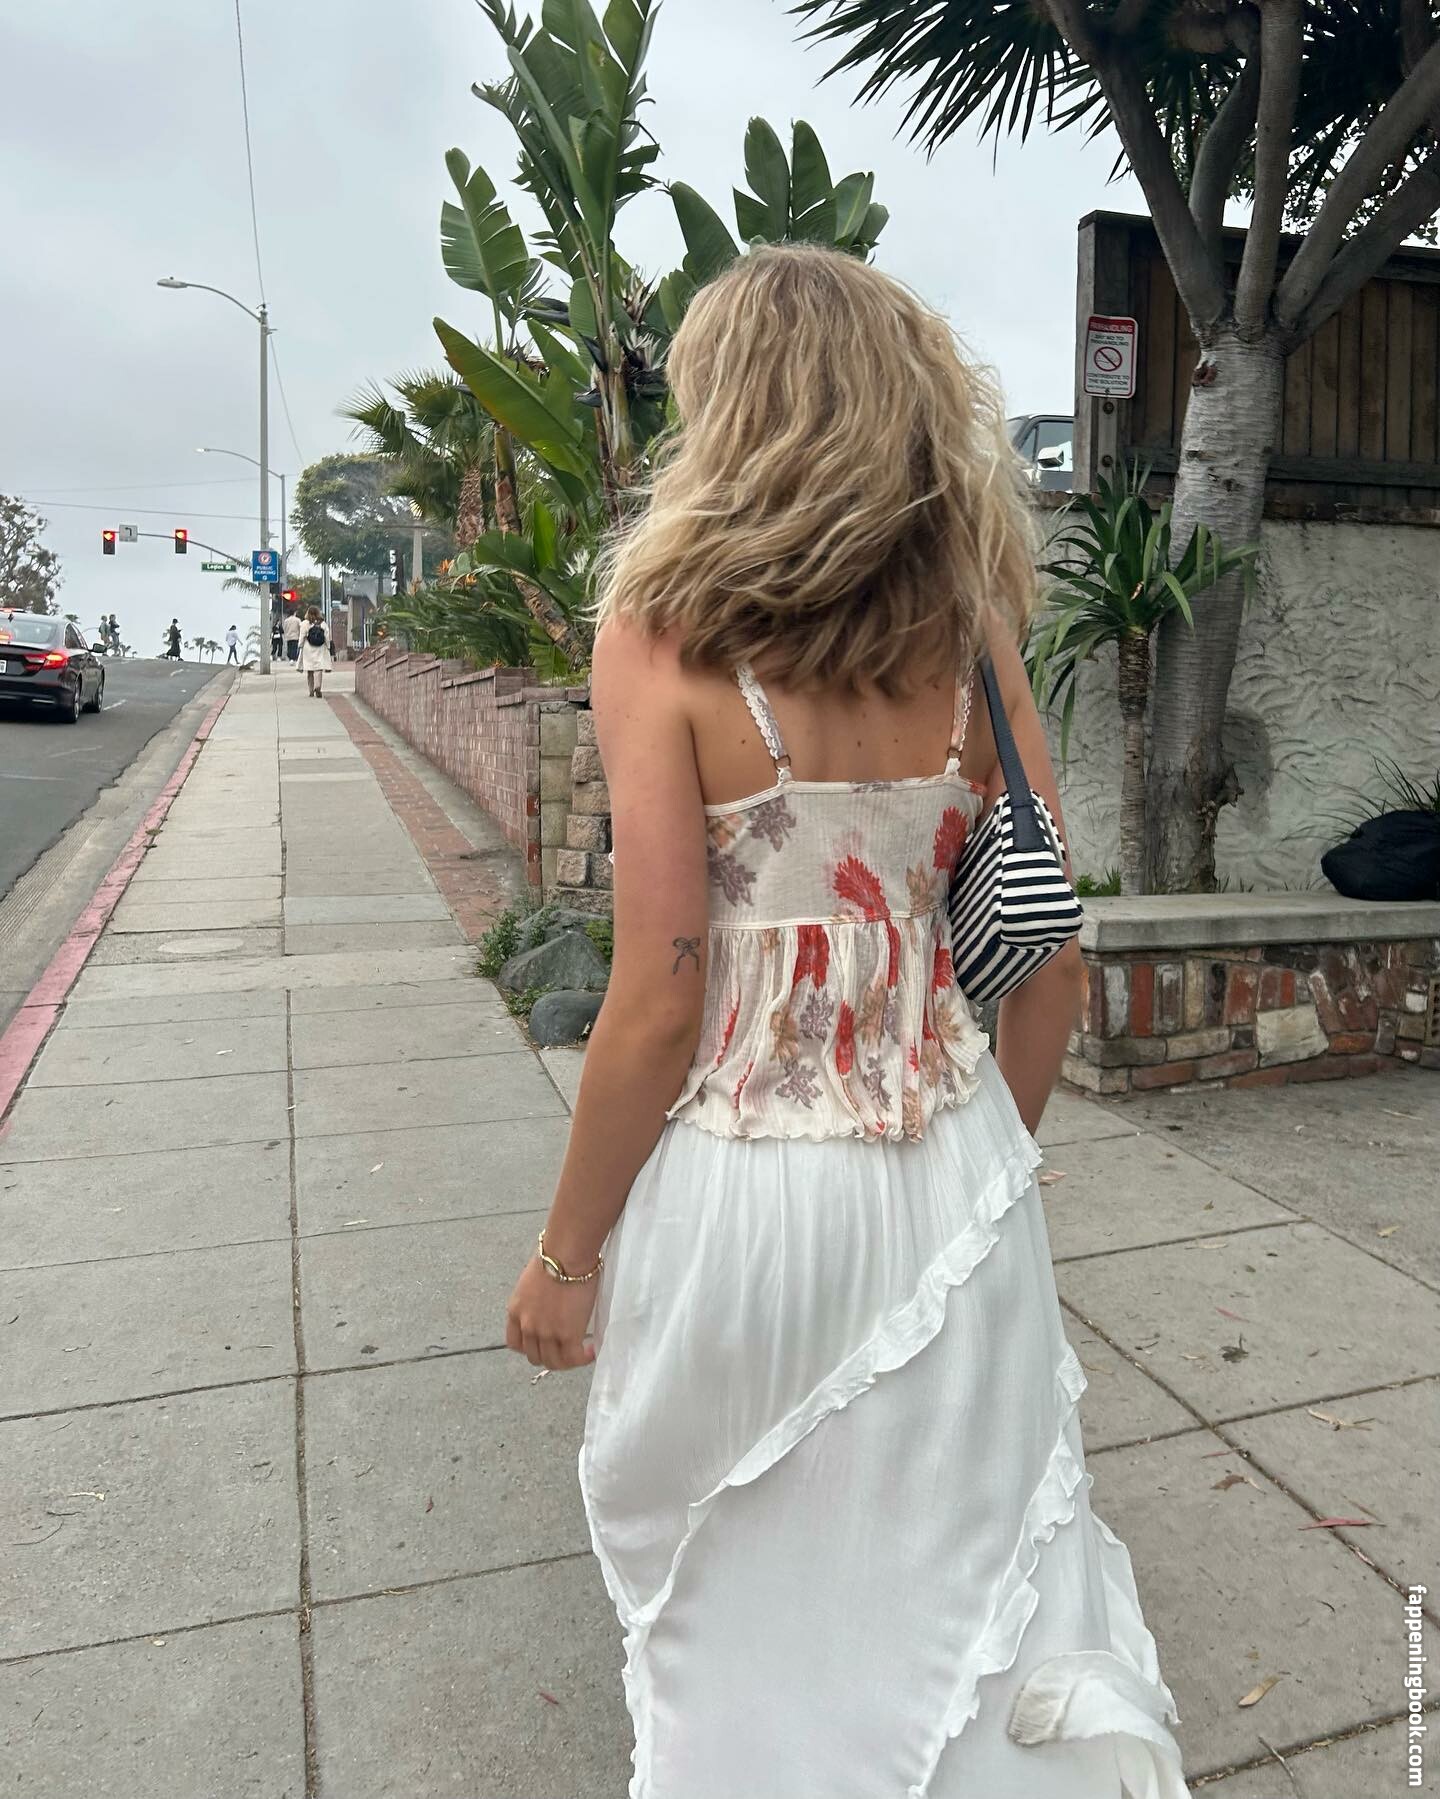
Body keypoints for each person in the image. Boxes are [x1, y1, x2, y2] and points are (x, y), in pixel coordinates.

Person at [504, 246, 1189, 1799]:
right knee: (964, 1578)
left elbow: (660, 996)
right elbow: (1049, 961)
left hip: (750, 1201)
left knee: (752, 1592)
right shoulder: (975, 638)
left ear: (731, 413)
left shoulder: (661, 638)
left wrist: (565, 1256)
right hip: (955, 1166)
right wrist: (982, 1171)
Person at [297, 606, 332, 698]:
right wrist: (328, 646)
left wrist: (300, 645)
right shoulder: (323, 624)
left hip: (308, 649)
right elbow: (327, 637)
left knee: (310, 670)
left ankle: (311, 690)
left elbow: (302, 636)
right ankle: (318, 686)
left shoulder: (304, 624)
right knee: (318, 669)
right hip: (320, 648)